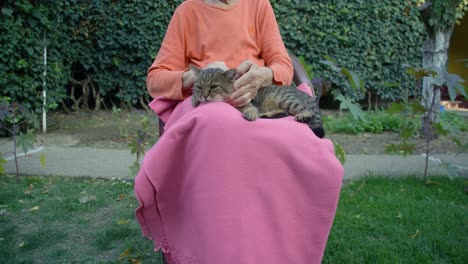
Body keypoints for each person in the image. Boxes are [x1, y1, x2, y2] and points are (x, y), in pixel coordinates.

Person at [134, 0, 343, 263]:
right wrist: (194, 77)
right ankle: (221, 252)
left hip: (257, 102)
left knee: (306, 147)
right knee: (220, 126)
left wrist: (263, 75)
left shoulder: (258, 5)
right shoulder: (187, 11)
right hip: (208, 105)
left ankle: (276, 251)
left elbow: (282, 66)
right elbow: (155, 80)